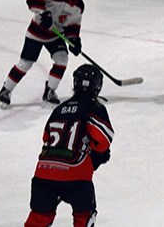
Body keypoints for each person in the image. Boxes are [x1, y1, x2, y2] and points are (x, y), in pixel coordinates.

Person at [24, 64, 113, 227]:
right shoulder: (95, 107)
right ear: (98, 86)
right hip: (75, 176)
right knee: (84, 216)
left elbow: (46, 137)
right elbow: (104, 141)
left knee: (38, 218)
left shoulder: (58, 109)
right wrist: (95, 156)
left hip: (44, 173)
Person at [0, 0, 91, 108]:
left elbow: (73, 25)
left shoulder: (79, 6)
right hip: (36, 33)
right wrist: (43, 12)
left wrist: (74, 40)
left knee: (62, 59)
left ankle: (50, 92)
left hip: (54, 36)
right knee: (25, 64)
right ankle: (5, 91)